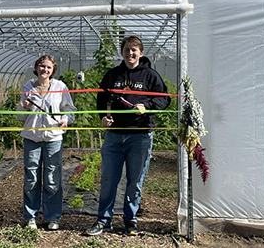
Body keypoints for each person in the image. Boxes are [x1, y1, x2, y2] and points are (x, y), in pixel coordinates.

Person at [85, 36, 171, 236]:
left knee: (135, 181)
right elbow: (102, 99)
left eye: (134, 50)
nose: (130, 54)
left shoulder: (150, 76)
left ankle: (130, 221)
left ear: (140, 53)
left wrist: (147, 106)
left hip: (139, 136)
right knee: (108, 179)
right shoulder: (113, 75)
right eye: (126, 50)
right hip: (114, 136)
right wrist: (103, 118)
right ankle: (104, 221)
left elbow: (165, 99)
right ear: (121, 52)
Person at [17, 55, 76, 231]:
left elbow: (70, 110)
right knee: (31, 179)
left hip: (53, 138)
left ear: (53, 70)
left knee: (52, 179)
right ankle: (31, 217)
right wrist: (24, 106)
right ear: (36, 67)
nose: (45, 70)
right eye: (42, 66)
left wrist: (65, 119)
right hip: (32, 138)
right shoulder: (29, 86)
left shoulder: (60, 87)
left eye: (49, 68)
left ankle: (52, 216)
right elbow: (20, 116)